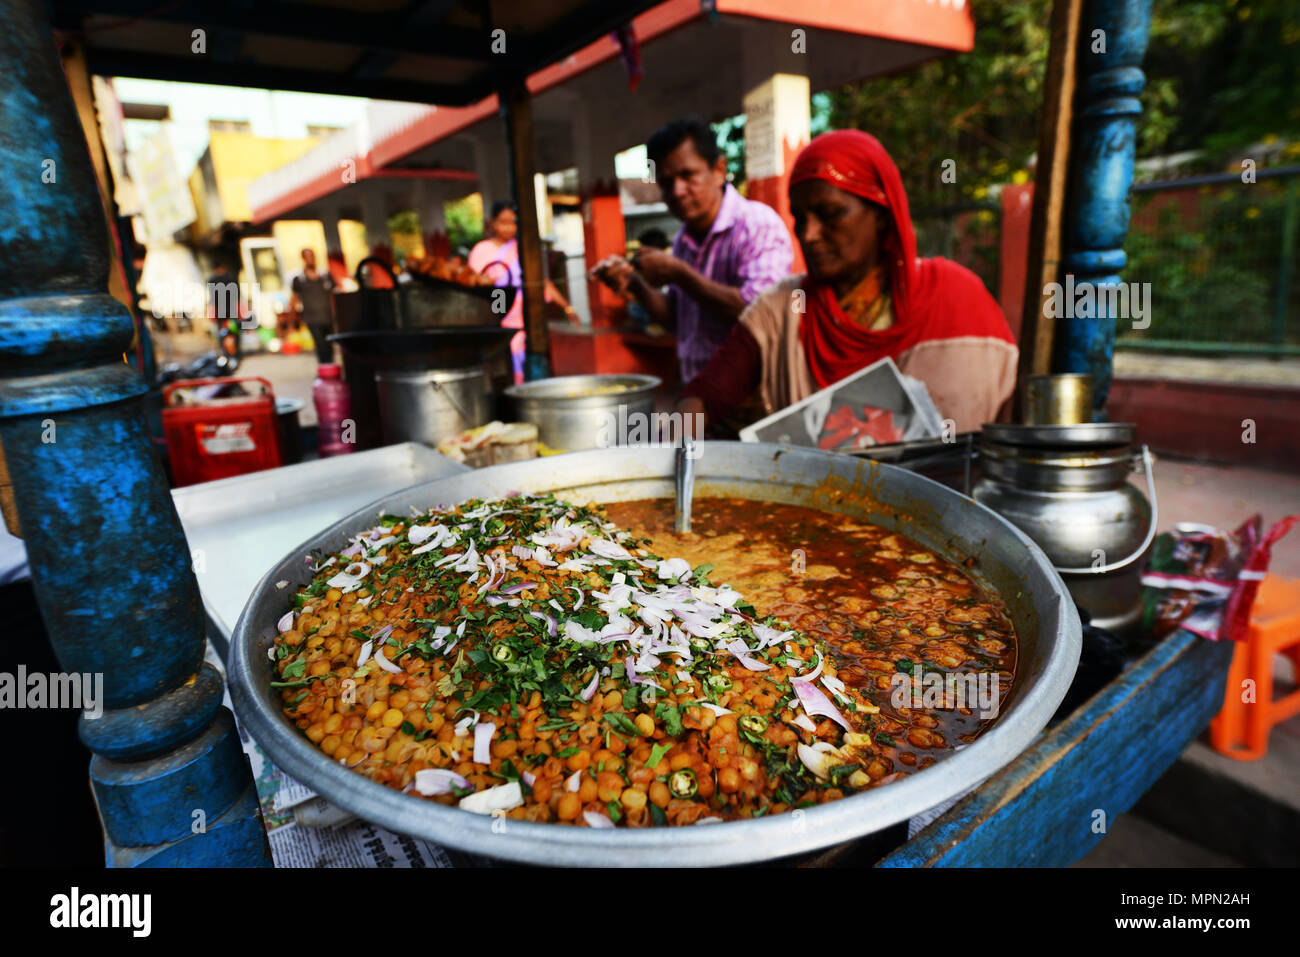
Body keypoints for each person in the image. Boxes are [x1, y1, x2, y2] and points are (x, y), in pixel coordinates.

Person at [678, 129, 1017, 435]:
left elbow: (1014, 418)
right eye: (800, 218)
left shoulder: (955, 296)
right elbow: (705, 398)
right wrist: (670, 456)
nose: (808, 235)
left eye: (830, 214)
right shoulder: (780, 310)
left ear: (882, 215)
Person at [590, 116, 794, 382]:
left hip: (753, 397)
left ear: (719, 170)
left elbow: (760, 311)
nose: (677, 191)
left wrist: (679, 273)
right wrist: (635, 283)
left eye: (688, 176)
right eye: (665, 182)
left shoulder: (756, 225)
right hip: (700, 393)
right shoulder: (684, 239)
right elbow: (675, 318)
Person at [469, 200, 578, 383]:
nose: (508, 228)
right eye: (503, 222)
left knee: (529, 368)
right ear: (492, 223)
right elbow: (477, 286)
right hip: (498, 315)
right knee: (503, 367)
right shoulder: (482, 250)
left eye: (513, 223)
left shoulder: (521, 249)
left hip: (525, 320)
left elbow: (542, 282)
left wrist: (567, 307)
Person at [290, 248, 337, 364]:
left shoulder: (325, 276)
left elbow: (333, 296)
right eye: (307, 256)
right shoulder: (299, 279)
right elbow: (294, 300)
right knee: (320, 345)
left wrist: (336, 315)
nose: (310, 259)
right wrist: (291, 322)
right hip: (312, 318)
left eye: (312, 256)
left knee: (329, 345)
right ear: (303, 259)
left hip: (327, 316)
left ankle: (331, 368)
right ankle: (324, 369)